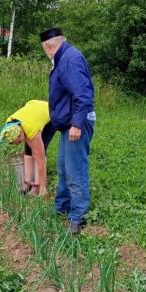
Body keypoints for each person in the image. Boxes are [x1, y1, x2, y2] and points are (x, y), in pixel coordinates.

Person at [40, 27, 96, 235]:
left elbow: (83, 94)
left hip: (76, 123)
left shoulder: (70, 60)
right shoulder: (63, 58)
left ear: (48, 46)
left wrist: (77, 124)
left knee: (75, 169)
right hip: (68, 123)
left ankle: (77, 217)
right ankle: (62, 208)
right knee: (63, 167)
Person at [0, 100, 55, 196]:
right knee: (28, 149)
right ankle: (27, 183)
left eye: (19, 141)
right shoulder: (10, 124)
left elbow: (40, 159)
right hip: (33, 109)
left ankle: (38, 186)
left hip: (51, 113)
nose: (19, 143)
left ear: (21, 133)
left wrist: (42, 186)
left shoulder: (32, 130)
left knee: (39, 151)